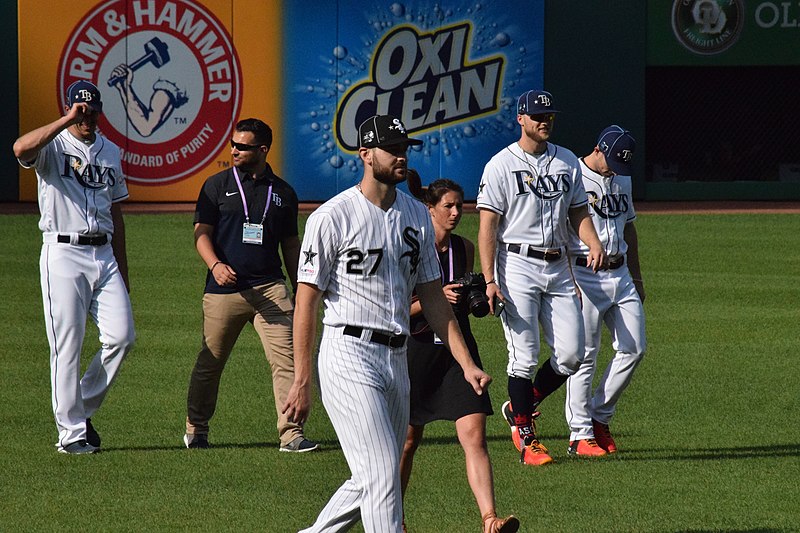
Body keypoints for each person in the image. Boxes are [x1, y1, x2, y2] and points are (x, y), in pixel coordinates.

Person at [285, 115, 492, 533]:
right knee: (383, 477)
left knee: (370, 478)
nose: (401, 155)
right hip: (348, 352)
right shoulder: (332, 217)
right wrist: (301, 379)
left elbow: (433, 297)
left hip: (397, 359)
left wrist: (466, 363)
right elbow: (306, 302)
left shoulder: (417, 215)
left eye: (405, 147)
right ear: (365, 155)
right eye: (391, 148)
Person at [476, 89, 605, 466]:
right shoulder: (499, 165)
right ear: (521, 118)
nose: (544, 121)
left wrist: (593, 241)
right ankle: (526, 437)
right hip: (515, 264)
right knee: (525, 355)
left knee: (571, 354)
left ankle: (521, 404)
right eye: (537, 116)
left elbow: (579, 211)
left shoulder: (566, 161)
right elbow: (487, 226)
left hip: (558, 264)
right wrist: (489, 279)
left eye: (549, 116)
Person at [13, 80, 136, 454]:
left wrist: (124, 270)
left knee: (122, 337)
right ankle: (71, 435)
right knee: (67, 346)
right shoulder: (52, 146)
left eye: (91, 110)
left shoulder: (110, 150)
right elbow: (20, 148)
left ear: (100, 111)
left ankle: (79, 409)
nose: (87, 116)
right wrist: (65, 120)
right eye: (80, 110)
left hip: (104, 255)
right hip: (63, 254)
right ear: (70, 109)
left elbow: (115, 209)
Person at [184, 118, 317, 453]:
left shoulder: (283, 193)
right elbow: (201, 234)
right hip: (224, 290)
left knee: (287, 360)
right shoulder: (216, 186)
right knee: (210, 362)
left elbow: (290, 244)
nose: (234, 151)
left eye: (242, 146)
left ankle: (291, 434)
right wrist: (215, 265)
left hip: (271, 289)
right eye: (233, 144)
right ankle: (196, 428)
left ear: (262, 149)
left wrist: (302, 287)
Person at [401, 174, 519, 533]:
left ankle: (489, 519)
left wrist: (474, 298)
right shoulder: (409, 249)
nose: (455, 212)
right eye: (447, 206)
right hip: (415, 351)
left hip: (458, 353)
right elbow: (393, 309)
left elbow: (470, 301)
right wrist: (432, 302)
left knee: (475, 435)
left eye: (459, 205)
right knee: (407, 441)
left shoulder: (464, 249)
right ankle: (393, 520)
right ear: (429, 208)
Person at [564, 125, 646, 455]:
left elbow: (629, 227)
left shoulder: (622, 178)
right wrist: (567, 280)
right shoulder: (572, 175)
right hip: (585, 273)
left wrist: (638, 279)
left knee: (634, 347)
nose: (615, 168)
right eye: (611, 160)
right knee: (585, 356)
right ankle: (579, 434)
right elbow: (560, 230)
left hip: (621, 272)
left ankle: (600, 415)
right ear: (598, 149)